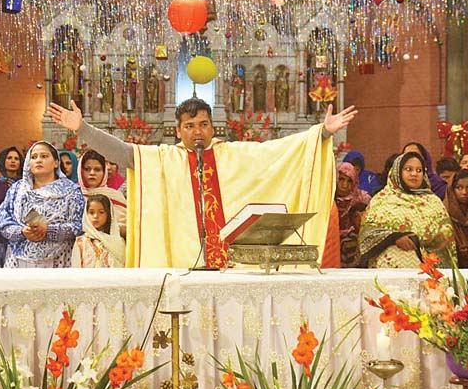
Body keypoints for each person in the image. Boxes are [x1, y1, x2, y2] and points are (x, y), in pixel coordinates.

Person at [49, 98, 356, 268]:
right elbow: (126, 154)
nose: (198, 132)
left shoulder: (233, 154)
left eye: (203, 125)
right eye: (190, 126)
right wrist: (83, 129)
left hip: (231, 266)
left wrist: (322, 133)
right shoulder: (165, 158)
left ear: (212, 126)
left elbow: (281, 152)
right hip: (182, 265)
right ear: (178, 130)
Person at [0, 141, 84, 268]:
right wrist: (22, 232)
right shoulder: (17, 189)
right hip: (17, 261)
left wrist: (49, 231)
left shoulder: (71, 191)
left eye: (44, 156)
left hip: (59, 260)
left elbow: (78, 226)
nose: (38, 160)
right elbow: (1, 223)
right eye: (33, 157)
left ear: (56, 163)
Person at [359, 152, 457, 268]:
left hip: (428, 273)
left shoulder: (434, 202)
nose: (414, 174)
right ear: (397, 171)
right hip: (387, 275)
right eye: (409, 169)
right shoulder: (381, 200)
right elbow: (367, 234)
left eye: (419, 170)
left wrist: (417, 240)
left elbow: (445, 236)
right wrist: (394, 237)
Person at [78, 150, 127, 237]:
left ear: (104, 172)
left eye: (97, 169)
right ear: (80, 171)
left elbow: (127, 227)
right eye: (87, 169)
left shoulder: (115, 196)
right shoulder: (73, 195)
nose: (92, 173)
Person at [71, 194, 126, 268]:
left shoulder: (118, 242)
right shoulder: (81, 242)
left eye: (101, 212)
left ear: (109, 214)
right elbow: (76, 268)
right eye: (91, 212)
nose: (95, 216)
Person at [335, 162, 370, 268]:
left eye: (349, 181)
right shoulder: (326, 198)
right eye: (341, 179)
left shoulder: (362, 198)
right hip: (331, 242)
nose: (345, 185)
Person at [444, 169, 468, 268]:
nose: (464, 192)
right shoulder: (444, 211)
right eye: (459, 188)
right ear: (451, 189)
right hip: (451, 264)